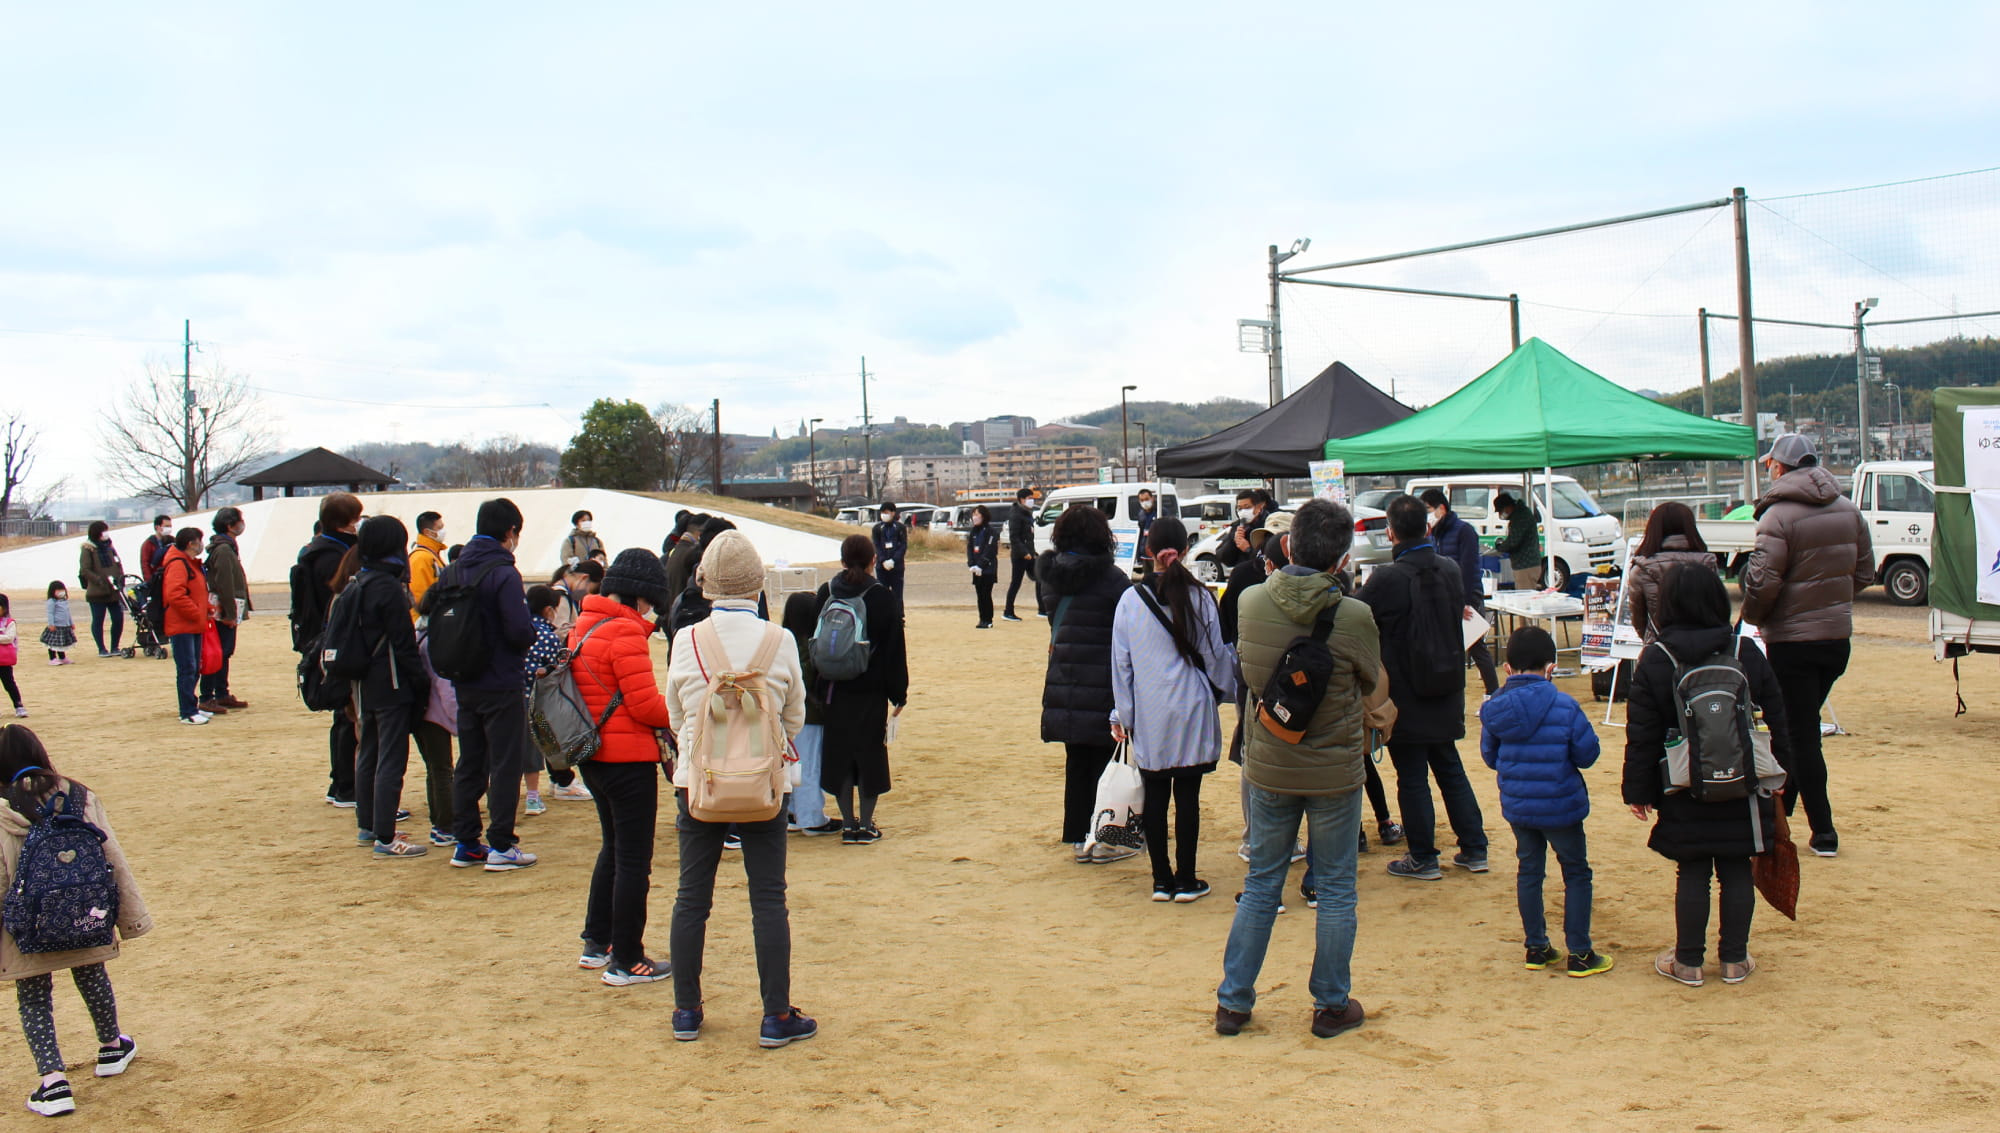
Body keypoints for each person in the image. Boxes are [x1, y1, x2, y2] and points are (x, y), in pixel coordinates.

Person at [1219, 499, 1379, 1040]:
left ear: (1289, 544)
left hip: (1270, 759)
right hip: (1334, 767)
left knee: (1262, 881)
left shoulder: (1251, 601)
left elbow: (1247, 668)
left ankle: (1234, 1000)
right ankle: (1330, 1004)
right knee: (1336, 887)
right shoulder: (1354, 614)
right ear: (1342, 556)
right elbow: (1370, 680)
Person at [664, 531, 815, 1046]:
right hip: (764, 784)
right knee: (768, 898)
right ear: (757, 585)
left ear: (705, 582)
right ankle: (775, 1014)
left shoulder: (687, 640)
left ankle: (687, 1008)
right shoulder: (780, 641)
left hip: (699, 783)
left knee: (691, 897)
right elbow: (795, 713)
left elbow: (677, 713)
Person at [1623, 565, 1790, 987]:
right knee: (1736, 867)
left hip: (1684, 782)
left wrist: (1638, 790)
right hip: (1744, 781)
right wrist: (1785, 773)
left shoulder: (1657, 658)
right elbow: (1777, 717)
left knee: (1692, 869)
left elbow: (1641, 734)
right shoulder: (1744, 650)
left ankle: (1688, 962)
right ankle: (1734, 960)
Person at [0, 725, 150, 1118]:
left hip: (26, 926)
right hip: (85, 911)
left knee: (33, 997)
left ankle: (53, 1081)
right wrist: (131, 919)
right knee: (91, 973)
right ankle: (111, 1046)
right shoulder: (79, 796)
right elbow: (112, 858)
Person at [1738, 432, 1870, 859]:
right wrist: (1829, 601)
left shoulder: (1777, 516)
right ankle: (1785, 810)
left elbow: (1762, 582)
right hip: (1836, 638)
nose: (1768, 470)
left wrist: (1756, 617)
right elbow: (1865, 572)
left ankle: (1823, 830)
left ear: (1781, 467)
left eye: (1770, 464)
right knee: (1800, 724)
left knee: (1801, 735)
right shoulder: (1849, 509)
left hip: (1792, 641)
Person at [1359, 495, 1488, 881]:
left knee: (1412, 775)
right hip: (1447, 684)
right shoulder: (1449, 569)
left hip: (1407, 690)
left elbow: (1358, 616)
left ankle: (1423, 855)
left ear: (1391, 533)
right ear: (1428, 528)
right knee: (1449, 767)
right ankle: (1474, 847)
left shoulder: (1386, 578)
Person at [1110, 517, 1237, 903]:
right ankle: (1187, 877)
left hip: (1150, 709)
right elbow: (1216, 657)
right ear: (1184, 550)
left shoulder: (1130, 600)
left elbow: (1122, 665)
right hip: (1193, 706)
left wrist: (1123, 715)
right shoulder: (1201, 597)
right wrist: (1223, 692)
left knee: (1155, 793)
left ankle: (1160, 879)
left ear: (1149, 552)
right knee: (1188, 795)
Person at [571, 549, 678, 986]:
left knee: (612, 850)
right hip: (628, 759)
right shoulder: (626, 634)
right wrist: (684, 708)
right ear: (641, 596)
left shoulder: (585, 624)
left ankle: (598, 942)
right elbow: (645, 706)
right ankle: (629, 958)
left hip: (591, 754)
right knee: (635, 860)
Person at [1479, 626, 1611, 977]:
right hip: (1561, 803)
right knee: (1576, 872)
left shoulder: (1494, 708)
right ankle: (1580, 952)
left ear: (1508, 667)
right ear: (1550, 666)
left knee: (1529, 871)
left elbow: (1490, 757)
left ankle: (1536, 946)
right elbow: (1587, 755)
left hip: (1520, 804)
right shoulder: (1565, 705)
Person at [1037, 505, 1136, 864]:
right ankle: (1103, 836)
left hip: (1065, 677)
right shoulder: (1112, 579)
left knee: (1077, 760)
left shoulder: (1050, 576)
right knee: (1106, 761)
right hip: (1105, 681)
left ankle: (1078, 836)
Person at [448, 498, 540, 872]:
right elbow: (518, 629)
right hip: (501, 678)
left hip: (462, 677)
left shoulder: (454, 569)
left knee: (470, 761)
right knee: (504, 763)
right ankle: (502, 844)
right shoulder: (504, 573)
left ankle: (467, 842)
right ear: (510, 532)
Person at [812, 534, 908, 843]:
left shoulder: (826, 592)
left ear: (841, 561)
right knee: (869, 753)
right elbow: (895, 648)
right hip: (871, 687)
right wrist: (899, 692)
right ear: (873, 561)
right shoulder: (881, 596)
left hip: (832, 687)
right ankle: (866, 825)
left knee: (838, 753)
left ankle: (848, 823)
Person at [346, 515, 427, 858]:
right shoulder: (388, 587)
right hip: (391, 680)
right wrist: (420, 681)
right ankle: (386, 837)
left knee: (369, 752)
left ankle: (370, 826)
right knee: (392, 758)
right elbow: (403, 642)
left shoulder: (358, 581)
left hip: (365, 681)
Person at [295, 493, 364, 806]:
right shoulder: (335, 554)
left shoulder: (314, 549)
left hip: (319, 639)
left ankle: (341, 783)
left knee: (343, 714)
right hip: (335, 641)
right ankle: (347, 785)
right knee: (349, 715)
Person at [1420, 488, 1498, 696]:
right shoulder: (1433, 534)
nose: (1427, 515)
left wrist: (1464, 602)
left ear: (1441, 509)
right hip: (1443, 598)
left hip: (1467, 598)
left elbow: (1470, 568)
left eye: (1428, 509)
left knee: (1476, 646)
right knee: (1446, 646)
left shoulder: (1464, 531)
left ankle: (1493, 692)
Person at [779, 592, 840, 836]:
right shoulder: (808, 644)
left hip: (785, 715)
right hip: (809, 715)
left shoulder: (781, 641)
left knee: (792, 765)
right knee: (809, 766)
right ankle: (811, 817)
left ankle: (793, 813)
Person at [1626, 501, 1719, 642]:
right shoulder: (1708, 563)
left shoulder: (1641, 569)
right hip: (1707, 646)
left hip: (1660, 649)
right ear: (1690, 526)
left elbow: (1639, 621)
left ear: (1653, 528)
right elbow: (1718, 609)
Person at [412, 610, 457, 848]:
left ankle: (439, 823)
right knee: (442, 770)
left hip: (419, 712)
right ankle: (446, 826)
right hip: (435, 714)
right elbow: (445, 687)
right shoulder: (434, 643)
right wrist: (459, 721)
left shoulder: (418, 636)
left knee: (434, 769)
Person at [158, 529, 211, 726]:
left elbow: (196, 592)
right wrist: (197, 612)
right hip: (182, 624)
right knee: (187, 668)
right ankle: (187, 711)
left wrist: (207, 608)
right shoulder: (179, 564)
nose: (201, 545)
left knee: (194, 667)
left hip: (192, 623)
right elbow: (175, 594)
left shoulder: (188, 563)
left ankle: (192, 707)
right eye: (199, 541)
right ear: (191, 543)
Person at [201, 507, 251, 712]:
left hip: (228, 608)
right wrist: (230, 613)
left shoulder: (226, 547)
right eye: (239, 521)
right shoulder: (223, 549)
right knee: (218, 653)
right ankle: (209, 695)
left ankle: (221, 692)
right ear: (230, 525)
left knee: (224, 652)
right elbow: (224, 583)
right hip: (224, 610)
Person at [76, 523, 125, 658]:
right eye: (104, 531)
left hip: (114, 590)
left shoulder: (110, 547)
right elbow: (85, 569)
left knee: (118, 618)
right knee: (98, 620)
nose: (106, 533)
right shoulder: (88, 549)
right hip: (97, 591)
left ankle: (115, 646)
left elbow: (118, 563)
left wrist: (120, 578)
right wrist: (99, 580)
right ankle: (101, 648)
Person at [1003, 487, 1042, 621]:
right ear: (1022, 499)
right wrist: (1024, 552)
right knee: (1016, 582)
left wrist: (1032, 552)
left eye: (1032, 498)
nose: (1032, 501)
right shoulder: (1016, 514)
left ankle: (1042, 609)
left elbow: (1029, 535)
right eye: (1029, 498)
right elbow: (1014, 538)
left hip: (1030, 554)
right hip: (1020, 556)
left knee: (1040, 578)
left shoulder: (1027, 513)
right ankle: (1008, 611)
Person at [1494, 492, 1543, 590]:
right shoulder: (1521, 514)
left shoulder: (1520, 517)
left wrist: (1500, 547)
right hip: (1527, 565)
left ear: (1507, 507)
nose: (1501, 514)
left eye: (1500, 511)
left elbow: (1513, 541)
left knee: (1524, 600)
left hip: (1526, 566)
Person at [1216, 489, 1271, 571]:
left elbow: (1269, 559)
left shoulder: (1268, 526)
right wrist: (1233, 540)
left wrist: (1248, 550)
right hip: (1242, 575)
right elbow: (1223, 557)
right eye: (1240, 508)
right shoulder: (1237, 526)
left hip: (1261, 576)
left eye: (1247, 507)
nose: (1243, 512)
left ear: (1258, 508)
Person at [408, 511, 448, 613]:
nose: (443, 531)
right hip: (425, 622)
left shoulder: (433, 555)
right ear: (427, 532)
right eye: (439, 528)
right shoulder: (421, 558)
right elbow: (419, 597)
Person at [966, 504, 999, 628]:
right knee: (979, 594)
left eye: (977, 514)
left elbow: (990, 550)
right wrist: (971, 563)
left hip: (988, 568)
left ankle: (988, 619)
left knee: (986, 593)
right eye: (973, 515)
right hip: (976, 568)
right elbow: (970, 547)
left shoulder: (991, 531)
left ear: (983, 516)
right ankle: (981, 619)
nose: (975, 517)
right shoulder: (974, 531)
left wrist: (981, 564)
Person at [870, 502, 908, 601]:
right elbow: (876, 545)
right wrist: (882, 560)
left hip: (897, 567)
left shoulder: (900, 527)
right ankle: (883, 615)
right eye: (882, 512)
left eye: (886, 512)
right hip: (881, 567)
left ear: (893, 513)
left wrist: (894, 560)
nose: (884, 515)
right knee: (882, 594)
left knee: (897, 595)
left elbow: (903, 545)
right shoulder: (877, 528)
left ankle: (898, 615)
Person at [38, 584, 73, 666]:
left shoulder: (64, 601)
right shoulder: (51, 601)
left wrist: (71, 623)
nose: (61, 592)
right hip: (55, 626)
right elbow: (50, 613)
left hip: (64, 626)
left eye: (62, 590)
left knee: (61, 643)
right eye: (58, 590)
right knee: (53, 644)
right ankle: (52, 658)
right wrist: (51, 624)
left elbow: (68, 613)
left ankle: (62, 658)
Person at [136, 516, 172, 591]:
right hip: (157, 581)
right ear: (157, 527)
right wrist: (150, 582)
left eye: (170, 526)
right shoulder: (148, 544)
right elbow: (145, 564)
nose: (169, 529)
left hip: (171, 577)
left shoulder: (172, 541)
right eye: (166, 526)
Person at [0, 596, 20, 717]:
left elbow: (9, 638)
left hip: (4, 660)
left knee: (9, 684)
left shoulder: (9, 622)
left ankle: (18, 705)